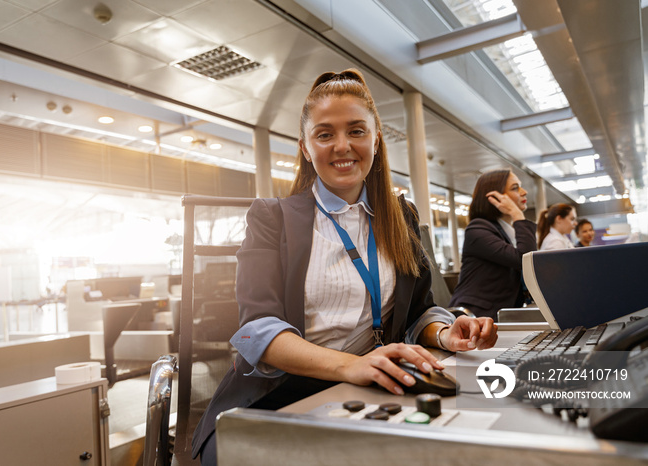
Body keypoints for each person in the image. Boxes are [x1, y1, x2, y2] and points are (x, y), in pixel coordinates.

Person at [191, 69, 498, 465]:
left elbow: (419, 310)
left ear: (375, 137)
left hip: (368, 387)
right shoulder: (272, 217)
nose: (342, 146)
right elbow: (258, 330)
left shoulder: (400, 216)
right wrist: (353, 366)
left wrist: (444, 334)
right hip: (273, 398)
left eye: (356, 131)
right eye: (324, 134)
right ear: (305, 147)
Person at [448, 169, 537, 320]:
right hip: (474, 318)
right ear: (495, 197)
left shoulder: (508, 232)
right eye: (515, 188)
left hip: (501, 315)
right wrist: (517, 215)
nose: (524, 192)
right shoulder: (477, 229)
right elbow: (525, 259)